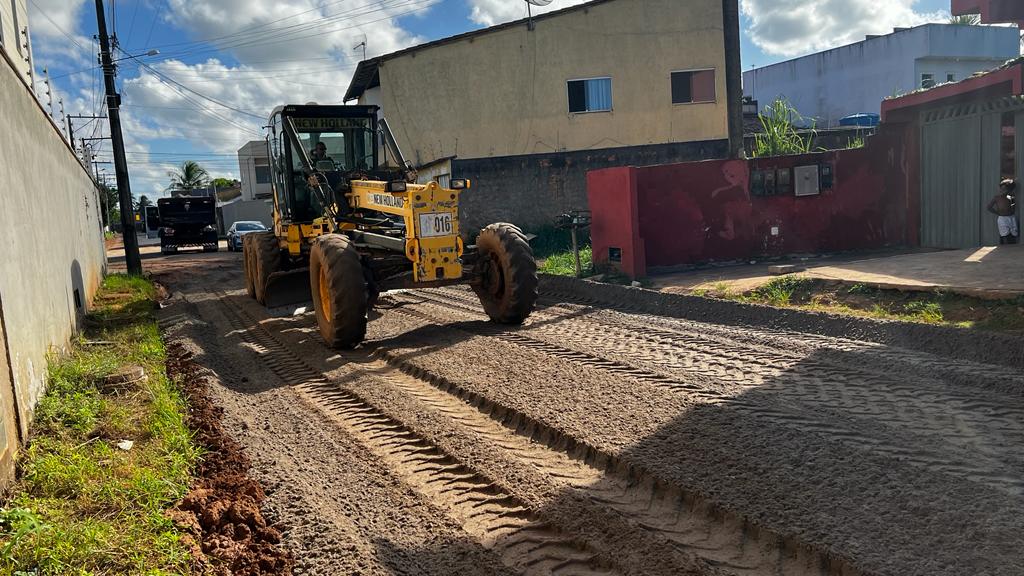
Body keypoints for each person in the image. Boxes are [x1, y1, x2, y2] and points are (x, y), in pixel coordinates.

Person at [987, 179, 1019, 245]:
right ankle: (1005, 249)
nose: (1002, 191)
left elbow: (1013, 207)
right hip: (1002, 218)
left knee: (1014, 234)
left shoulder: (1011, 197)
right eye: (1001, 189)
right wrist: (997, 213)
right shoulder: (997, 198)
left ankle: (1013, 248)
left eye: (1005, 189)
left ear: (1010, 190)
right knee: (1004, 235)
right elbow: (989, 207)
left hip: (1011, 217)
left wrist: (1012, 206)